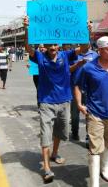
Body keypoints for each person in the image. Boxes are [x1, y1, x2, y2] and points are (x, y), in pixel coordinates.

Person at [24, 17, 83, 183]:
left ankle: (55, 153)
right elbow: (28, 47)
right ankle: (47, 168)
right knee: (46, 133)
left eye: (55, 44)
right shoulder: (40, 57)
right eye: (49, 45)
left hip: (64, 101)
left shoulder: (66, 54)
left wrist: (88, 31)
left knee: (61, 132)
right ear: (46, 46)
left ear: (59, 45)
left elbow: (84, 48)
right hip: (46, 102)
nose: (52, 47)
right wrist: (26, 28)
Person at [74, 36, 108, 187]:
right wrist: (79, 104)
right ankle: (94, 183)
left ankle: (104, 169)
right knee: (95, 148)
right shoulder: (88, 67)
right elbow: (78, 86)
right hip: (95, 113)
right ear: (100, 50)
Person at [69, 42, 98, 141]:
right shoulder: (73, 55)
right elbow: (68, 70)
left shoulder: (95, 55)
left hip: (89, 89)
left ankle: (88, 136)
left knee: (89, 113)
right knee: (75, 113)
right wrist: (78, 64)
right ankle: (75, 132)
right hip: (75, 88)